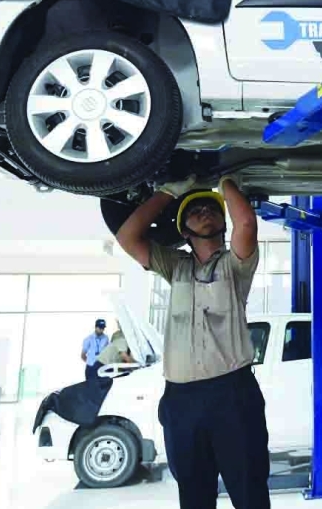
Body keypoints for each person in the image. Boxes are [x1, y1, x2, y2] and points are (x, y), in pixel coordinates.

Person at [116, 174, 269, 509]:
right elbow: (127, 237)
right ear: (184, 231)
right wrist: (169, 191)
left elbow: (245, 221)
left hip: (232, 395)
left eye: (211, 208)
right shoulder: (175, 267)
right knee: (194, 496)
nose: (204, 211)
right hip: (182, 399)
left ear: (222, 222)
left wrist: (223, 181)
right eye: (194, 210)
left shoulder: (235, 266)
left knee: (250, 491)